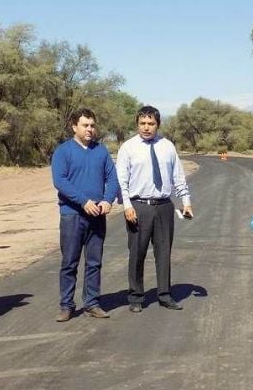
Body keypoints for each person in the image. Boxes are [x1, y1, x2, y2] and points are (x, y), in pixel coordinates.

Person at [116, 105, 192, 313]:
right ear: (137, 124)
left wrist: (186, 201)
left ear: (158, 124)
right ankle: (136, 297)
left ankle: (165, 295)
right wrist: (127, 206)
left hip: (164, 206)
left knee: (164, 252)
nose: (146, 128)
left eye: (151, 123)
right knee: (137, 253)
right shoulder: (128, 148)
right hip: (139, 206)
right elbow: (121, 181)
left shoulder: (167, 146)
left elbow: (178, 177)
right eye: (142, 123)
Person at [51, 108, 119, 322]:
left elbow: (113, 178)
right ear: (74, 127)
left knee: (94, 262)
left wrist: (108, 199)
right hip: (72, 215)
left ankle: (92, 302)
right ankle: (66, 305)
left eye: (92, 125)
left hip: (97, 215)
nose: (90, 129)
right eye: (85, 125)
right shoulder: (63, 151)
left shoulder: (101, 151)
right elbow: (60, 182)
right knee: (70, 262)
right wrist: (84, 201)